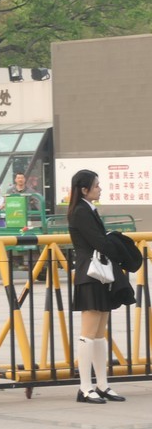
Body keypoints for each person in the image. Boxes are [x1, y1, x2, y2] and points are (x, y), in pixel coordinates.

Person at [66, 168, 125, 404]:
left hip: (98, 274)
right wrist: (120, 248)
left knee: (99, 334)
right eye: (97, 185)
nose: (100, 188)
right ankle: (84, 388)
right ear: (84, 189)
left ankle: (102, 385)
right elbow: (98, 241)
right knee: (88, 334)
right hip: (89, 274)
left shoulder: (88, 208)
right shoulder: (81, 211)